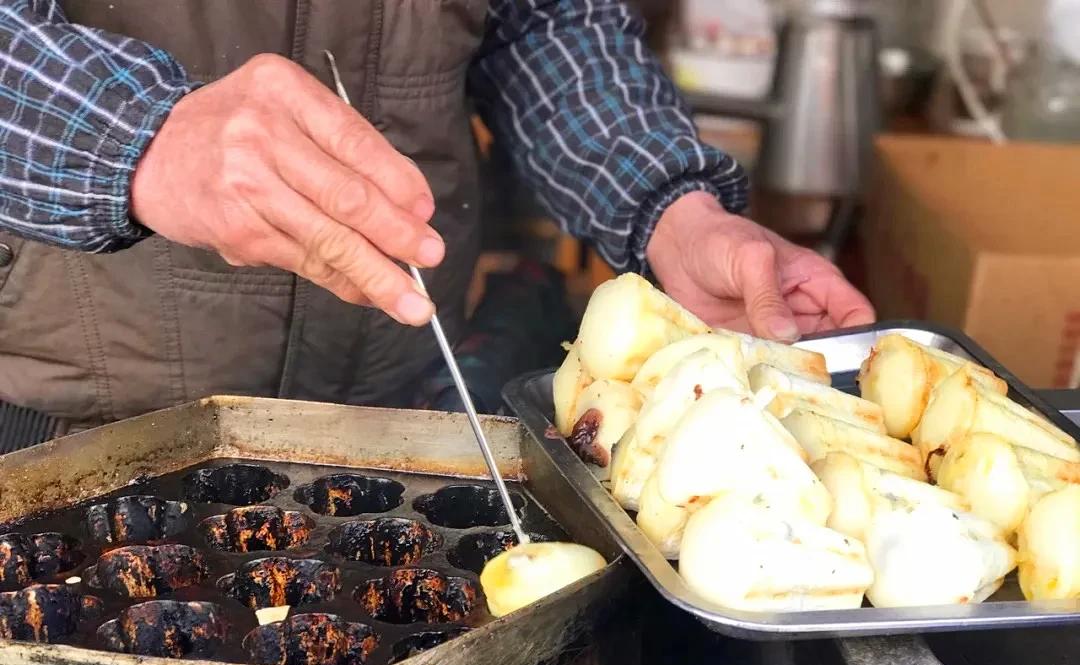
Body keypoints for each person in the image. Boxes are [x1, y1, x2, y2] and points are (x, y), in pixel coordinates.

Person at [0, 1, 874, 430]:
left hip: (402, 405)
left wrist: (666, 204)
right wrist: (138, 136)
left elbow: (542, 18)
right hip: (77, 412)